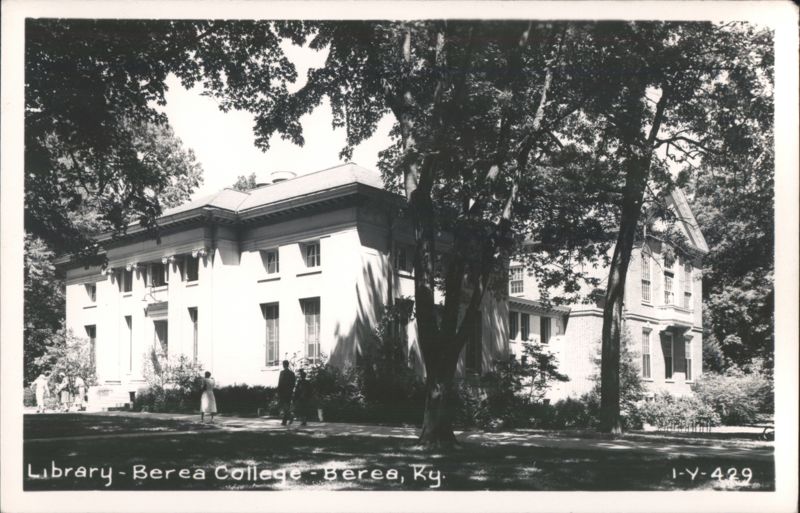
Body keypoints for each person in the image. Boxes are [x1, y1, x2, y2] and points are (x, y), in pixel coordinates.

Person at [277, 360, 296, 426]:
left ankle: (286, 420)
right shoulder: (292, 373)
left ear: (284, 365)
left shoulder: (282, 373)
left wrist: (279, 391)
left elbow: (280, 383)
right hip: (289, 392)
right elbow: (294, 383)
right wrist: (291, 390)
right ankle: (289, 417)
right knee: (286, 406)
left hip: (283, 392)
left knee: (285, 406)